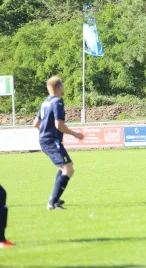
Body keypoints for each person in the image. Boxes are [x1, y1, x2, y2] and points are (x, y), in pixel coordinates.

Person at [32, 76, 85, 210]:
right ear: (59, 87)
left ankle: (54, 198)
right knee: (68, 169)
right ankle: (52, 203)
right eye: (62, 85)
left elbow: (36, 124)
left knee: (66, 167)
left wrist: (45, 132)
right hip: (50, 141)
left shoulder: (45, 102)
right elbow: (59, 125)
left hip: (46, 140)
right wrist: (75, 134)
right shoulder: (57, 102)